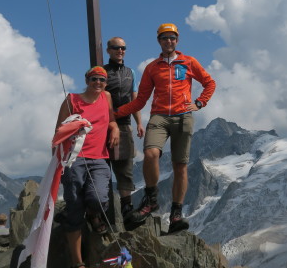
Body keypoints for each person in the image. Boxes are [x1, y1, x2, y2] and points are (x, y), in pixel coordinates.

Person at [115, 23, 216, 233]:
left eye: (172, 38)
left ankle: (176, 213)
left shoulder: (189, 62)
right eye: (164, 38)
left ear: (177, 40)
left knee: (181, 166)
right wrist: (114, 114)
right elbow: (140, 100)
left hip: (183, 116)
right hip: (159, 116)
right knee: (151, 153)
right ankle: (151, 200)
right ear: (159, 41)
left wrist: (199, 103)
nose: (168, 41)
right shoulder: (152, 67)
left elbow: (209, 83)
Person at [55, 66, 119, 268]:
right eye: (94, 79)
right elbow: (58, 131)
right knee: (74, 207)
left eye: (101, 79)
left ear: (105, 82)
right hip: (75, 159)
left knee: (99, 199)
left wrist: (115, 127)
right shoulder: (71, 100)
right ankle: (78, 262)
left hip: (99, 158)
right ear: (87, 80)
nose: (98, 83)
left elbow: (111, 119)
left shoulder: (106, 96)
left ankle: (93, 214)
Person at [103, 37, 144, 223]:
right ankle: (101, 210)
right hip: (103, 124)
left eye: (123, 48)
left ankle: (127, 208)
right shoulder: (102, 71)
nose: (120, 50)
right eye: (116, 48)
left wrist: (139, 123)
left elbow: (134, 98)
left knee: (125, 168)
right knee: (103, 168)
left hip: (125, 122)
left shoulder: (131, 72)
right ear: (108, 50)